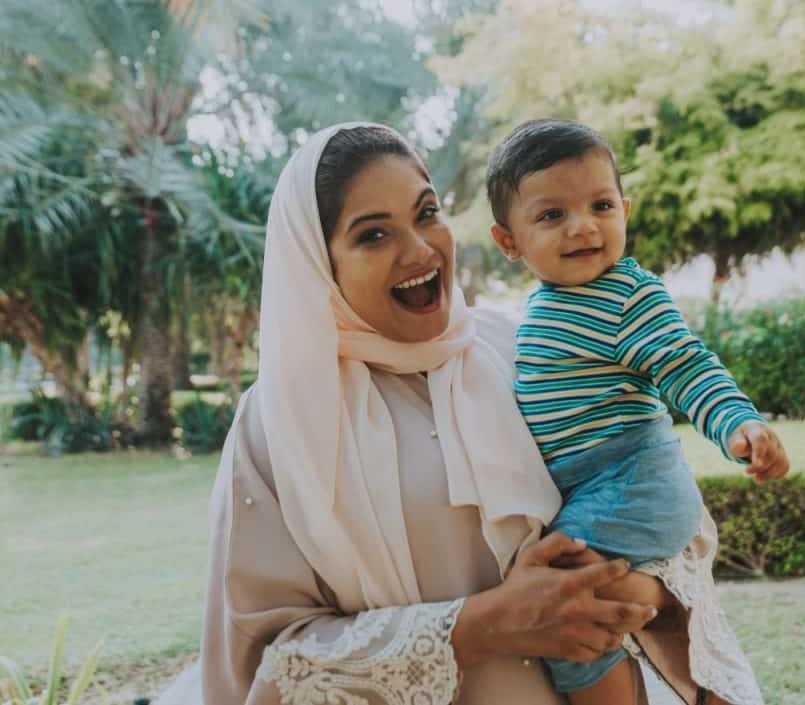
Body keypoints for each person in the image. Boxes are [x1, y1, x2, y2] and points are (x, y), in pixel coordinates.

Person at [168, 122, 765, 705]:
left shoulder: (519, 347)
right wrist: (482, 624)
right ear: (319, 263)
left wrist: (631, 595)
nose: (420, 249)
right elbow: (266, 663)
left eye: (426, 213)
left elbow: (668, 509)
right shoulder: (280, 422)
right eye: (373, 235)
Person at [485, 119, 789, 704]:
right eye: (552, 215)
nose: (583, 227)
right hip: (598, 489)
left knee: (562, 603)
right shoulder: (547, 302)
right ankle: (702, 689)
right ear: (509, 242)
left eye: (600, 205)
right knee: (578, 607)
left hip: (631, 479)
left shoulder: (629, 294)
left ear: (624, 209)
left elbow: (688, 365)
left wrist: (738, 424)